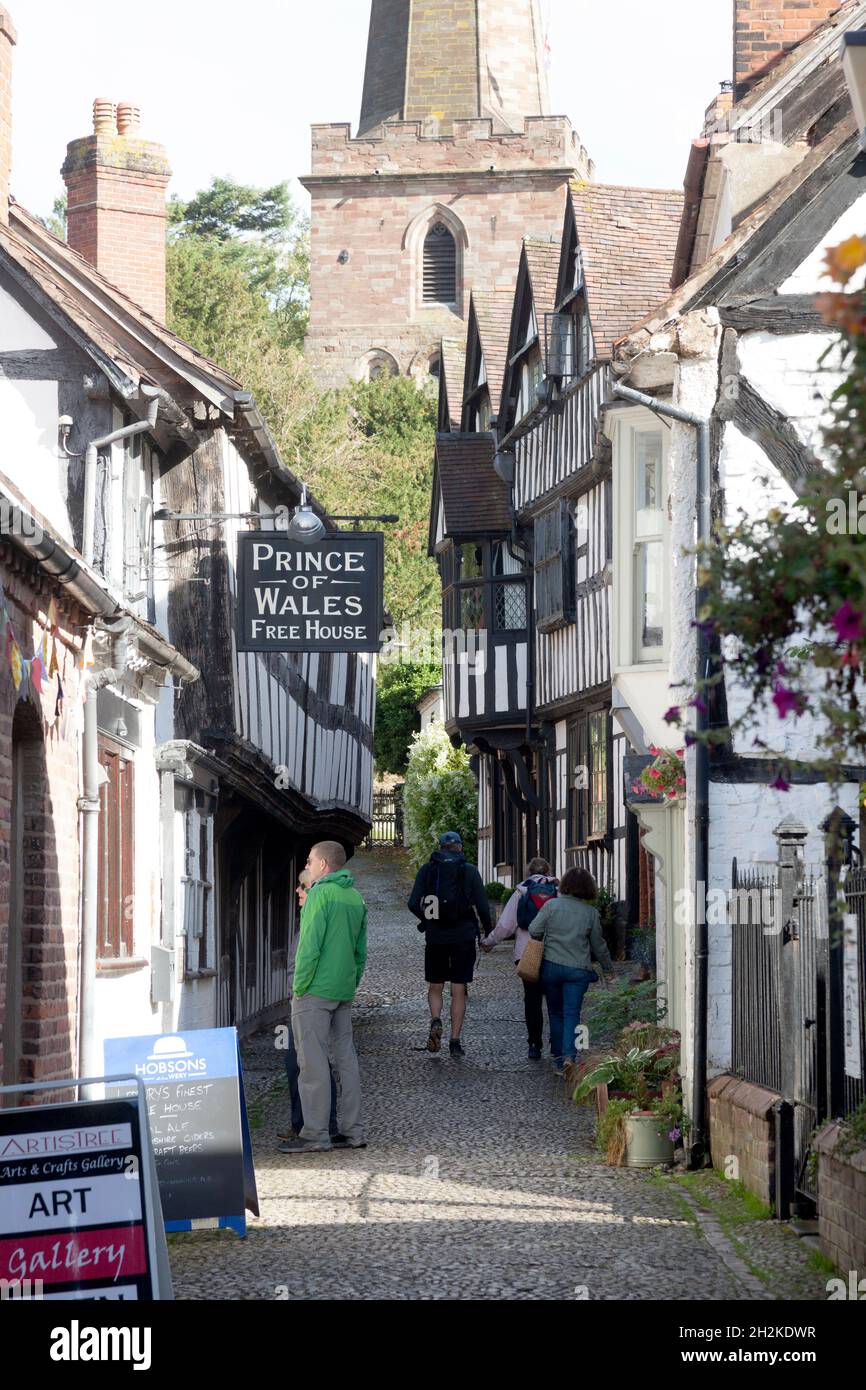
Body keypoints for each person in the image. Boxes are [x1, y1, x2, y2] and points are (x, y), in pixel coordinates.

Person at [281, 841, 368, 1153]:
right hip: (342, 990)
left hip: (315, 991)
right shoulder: (354, 897)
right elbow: (360, 952)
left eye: (309, 859)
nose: (307, 863)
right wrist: (350, 982)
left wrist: (299, 988)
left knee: (312, 1062)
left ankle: (316, 1134)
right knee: (346, 1060)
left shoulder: (320, 894)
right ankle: (353, 1132)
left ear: (323, 865)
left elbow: (309, 947)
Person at [408, 831, 491, 1059]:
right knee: (458, 988)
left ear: (440, 847)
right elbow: (482, 905)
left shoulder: (427, 870)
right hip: (463, 935)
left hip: (436, 936)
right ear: (460, 848)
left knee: (436, 985)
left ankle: (436, 1019)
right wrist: (488, 932)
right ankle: (455, 1041)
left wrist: (428, 918)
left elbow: (413, 902)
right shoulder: (470, 871)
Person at [529, 866, 613, 1075]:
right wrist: (608, 969)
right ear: (587, 888)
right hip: (578, 970)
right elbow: (598, 945)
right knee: (572, 1014)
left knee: (555, 1013)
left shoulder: (551, 906)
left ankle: (558, 1059)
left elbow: (533, 930)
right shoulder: (591, 913)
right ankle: (570, 1056)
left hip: (551, 967)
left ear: (565, 885)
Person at [278, 868, 340, 1145]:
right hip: (307, 998)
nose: (297, 892)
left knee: (305, 1064)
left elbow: (308, 960)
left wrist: (299, 992)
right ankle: (308, 1123)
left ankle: (317, 1127)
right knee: (301, 1063)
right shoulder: (310, 917)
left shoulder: (315, 919)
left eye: (302, 887)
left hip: (308, 999)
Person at [480, 857, 558, 1060]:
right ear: (548, 872)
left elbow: (506, 925)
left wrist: (489, 942)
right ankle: (557, 1042)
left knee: (532, 1000)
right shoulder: (558, 891)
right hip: (554, 953)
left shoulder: (520, 892)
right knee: (555, 998)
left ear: (528, 873)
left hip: (527, 953)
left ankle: (534, 1044)